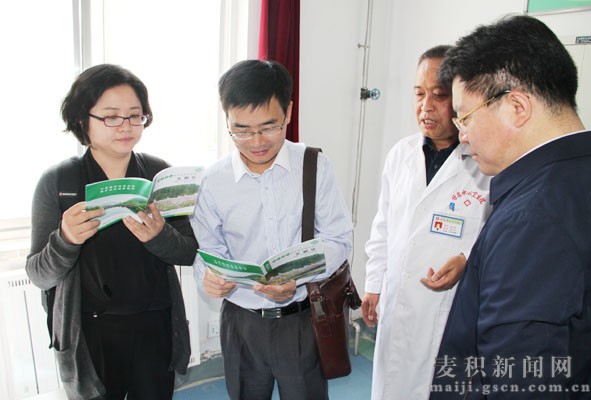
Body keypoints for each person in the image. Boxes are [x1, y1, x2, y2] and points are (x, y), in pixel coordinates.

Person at [429, 15, 591, 399]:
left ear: (517, 106)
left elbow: (518, 383)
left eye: (464, 117)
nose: (461, 134)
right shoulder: (585, 174)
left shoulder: (531, 220)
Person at [25, 64, 197, 400]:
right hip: (91, 333)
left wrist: (159, 236)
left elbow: (191, 252)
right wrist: (66, 240)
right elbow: (39, 274)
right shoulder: (59, 183)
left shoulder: (159, 174)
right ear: (82, 120)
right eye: (111, 117)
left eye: (135, 115)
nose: (126, 126)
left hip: (155, 326)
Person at [191, 59, 352, 400]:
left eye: (268, 127)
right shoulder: (213, 181)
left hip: (301, 320)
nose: (256, 141)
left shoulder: (314, 165)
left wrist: (299, 277)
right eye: (241, 130)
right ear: (227, 120)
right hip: (242, 323)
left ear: (288, 112)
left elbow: (338, 240)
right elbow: (207, 251)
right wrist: (208, 276)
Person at [360, 45, 492, 399]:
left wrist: (466, 260)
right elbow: (383, 226)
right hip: (397, 297)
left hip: (446, 306)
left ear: (461, 99)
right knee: (390, 384)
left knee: (435, 384)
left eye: (439, 95)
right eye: (419, 94)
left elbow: (495, 236)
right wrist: (374, 284)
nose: (426, 106)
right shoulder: (400, 154)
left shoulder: (483, 162)